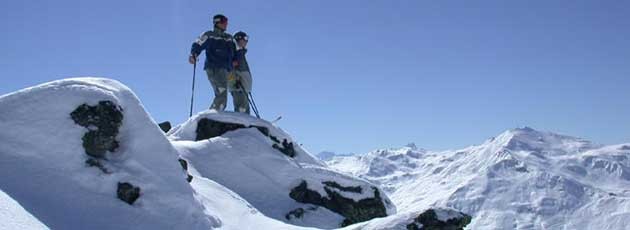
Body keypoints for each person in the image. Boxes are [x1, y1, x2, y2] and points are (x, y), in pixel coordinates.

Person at [189, 14, 236, 111]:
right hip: (215, 68)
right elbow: (198, 43)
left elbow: (236, 52)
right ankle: (211, 117)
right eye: (224, 21)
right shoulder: (210, 35)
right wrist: (194, 54)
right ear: (217, 23)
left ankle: (214, 115)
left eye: (227, 21)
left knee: (226, 94)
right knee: (222, 95)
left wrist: (235, 62)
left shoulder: (229, 38)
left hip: (227, 71)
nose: (226, 24)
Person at [229, 31, 252, 114]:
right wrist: (235, 82)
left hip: (243, 87)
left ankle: (247, 125)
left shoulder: (240, 52)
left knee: (245, 110)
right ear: (238, 39)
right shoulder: (234, 51)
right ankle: (241, 126)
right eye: (245, 38)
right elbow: (230, 69)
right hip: (239, 87)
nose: (247, 41)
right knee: (241, 109)